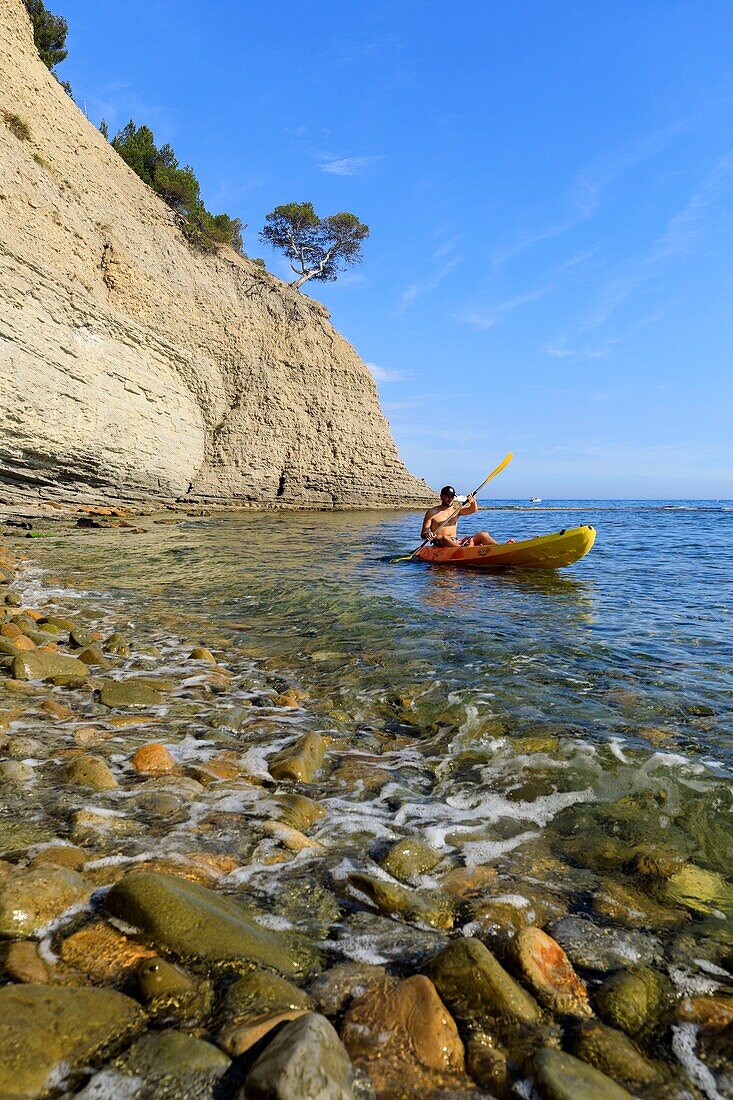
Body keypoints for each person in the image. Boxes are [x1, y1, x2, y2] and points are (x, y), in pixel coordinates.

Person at [421, 485, 514, 547]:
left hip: (456, 541)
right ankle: (465, 550)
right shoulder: (432, 512)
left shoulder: (456, 510)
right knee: (445, 538)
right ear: (441, 497)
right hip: (441, 543)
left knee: (483, 534)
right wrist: (428, 534)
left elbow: (472, 510)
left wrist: (473, 501)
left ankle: (499, 548)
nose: (450, 498)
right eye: (447, 496)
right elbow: (423, 533)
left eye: (452, 496)